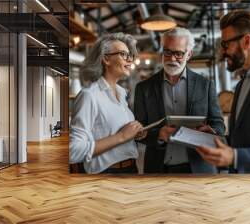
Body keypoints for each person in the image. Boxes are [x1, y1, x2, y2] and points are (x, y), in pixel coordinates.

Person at [196, 10, 250, 173]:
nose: (222, 53)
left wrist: (235, 157)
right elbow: (244, 139)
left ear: (246, 41)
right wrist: (217, 137)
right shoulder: (242, 83)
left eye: (225, 44)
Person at [134, 27, 225, 174]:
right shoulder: (144, 88)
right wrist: (159, 135)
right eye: (167, 52)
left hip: (199, 167)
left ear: (189, 54)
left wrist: (212, 131)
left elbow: (218, 123)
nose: (171, 58)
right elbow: (139, 132)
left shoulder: (205, 85)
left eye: (178, 53)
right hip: (158, 169)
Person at [69, 33, 145, 174]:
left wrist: (134, 133)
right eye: (123, 54)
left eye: (130, 56)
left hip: (131, 169)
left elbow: (114, 131)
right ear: (106, 59)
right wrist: (121, 136)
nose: (129, 60)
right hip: (107, 173)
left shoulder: (122, 94)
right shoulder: (89, 96)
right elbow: (73, 151)